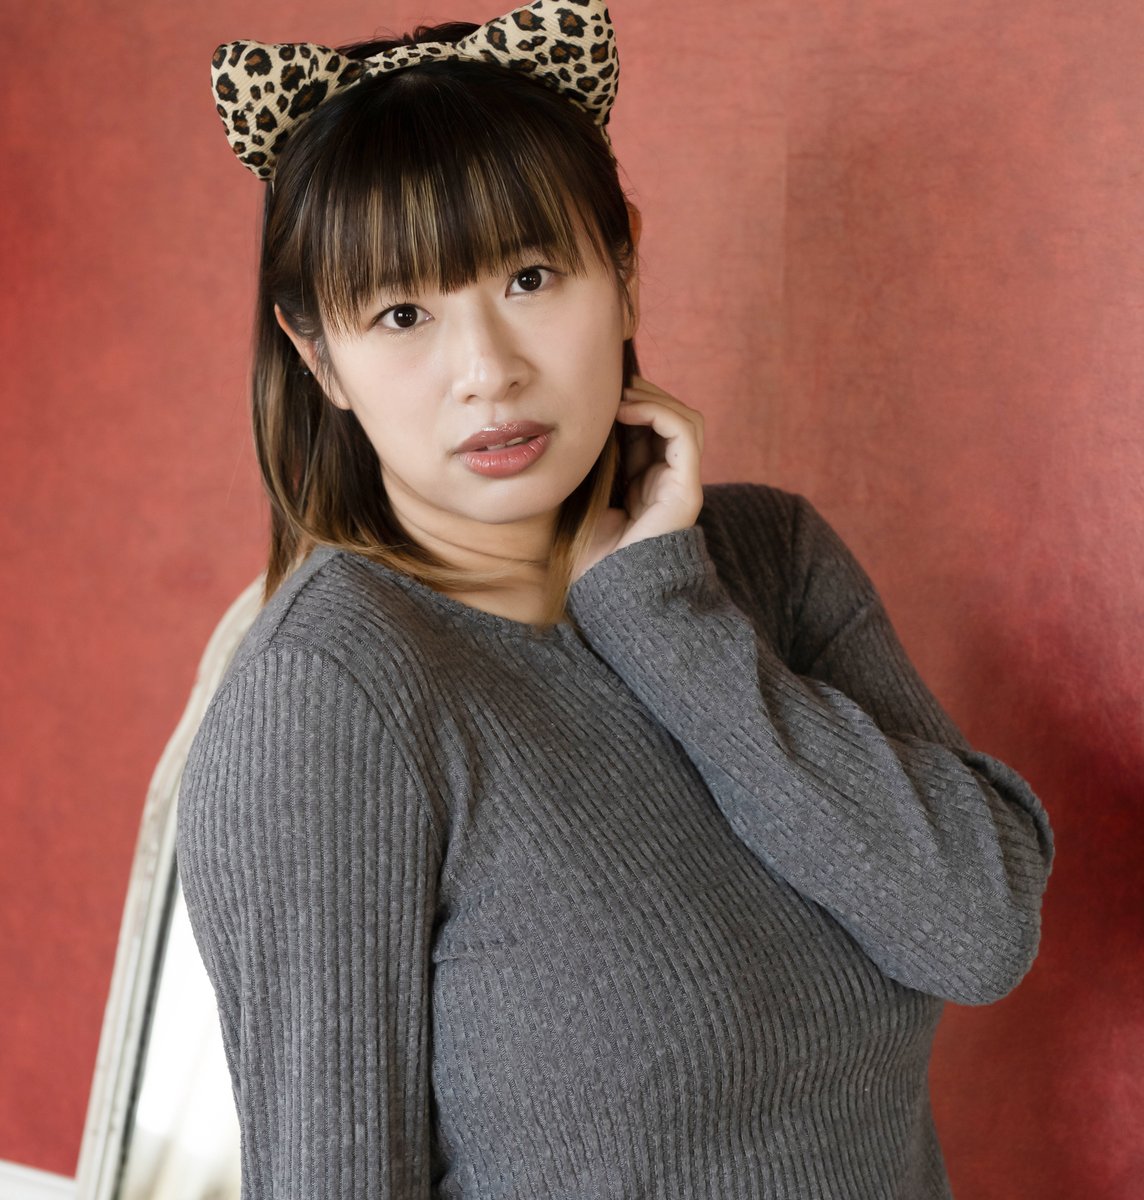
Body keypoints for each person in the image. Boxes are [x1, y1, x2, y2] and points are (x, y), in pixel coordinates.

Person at [177, 2, 1055, 1196]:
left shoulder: (767, 559)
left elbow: (978, 931)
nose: (488, 371)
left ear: (624, 269)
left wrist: (664, 615)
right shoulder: (331, 700)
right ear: (317, 352)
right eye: (402, 314)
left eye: (530, 276)